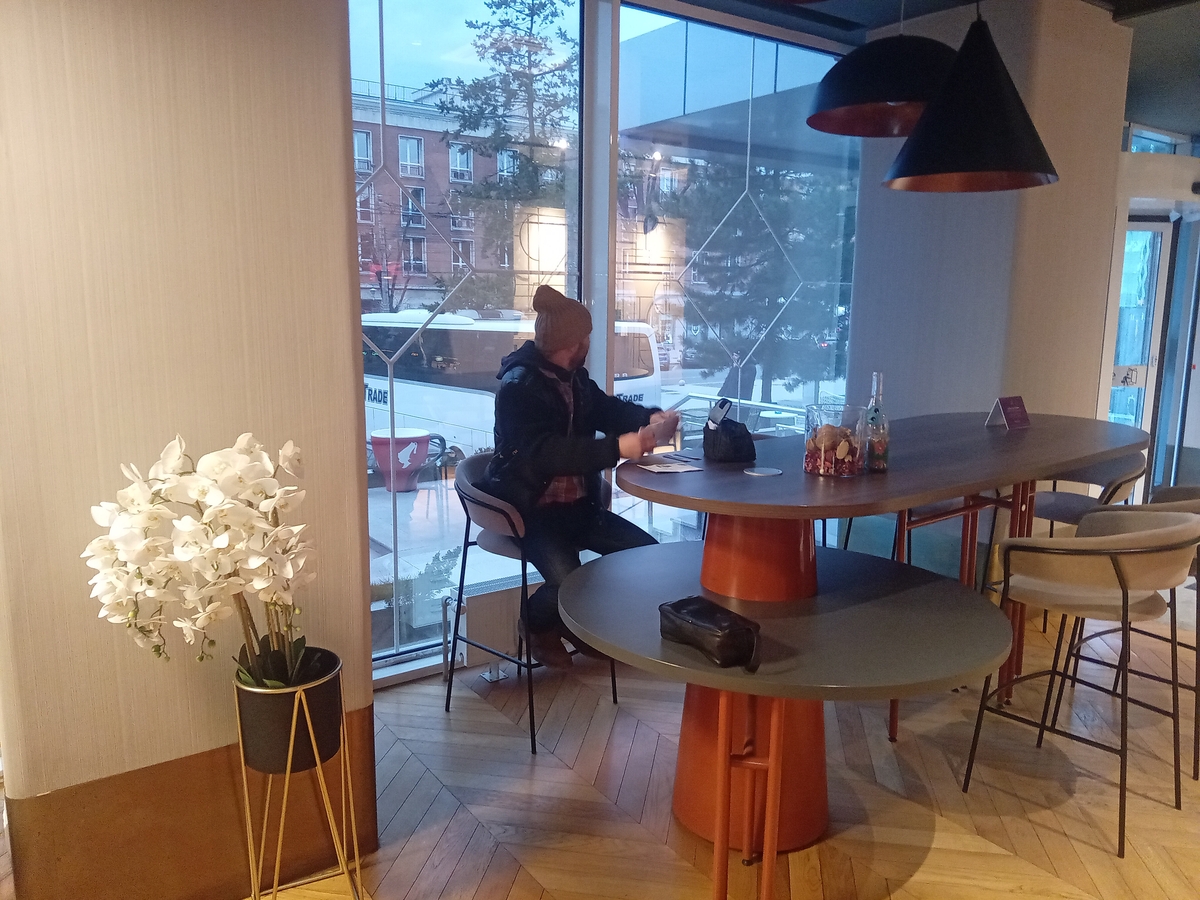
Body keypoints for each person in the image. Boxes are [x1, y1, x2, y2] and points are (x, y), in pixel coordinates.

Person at [480, 285, 680, 668]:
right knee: (570, 582)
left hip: (580, 508)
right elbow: (546, 453)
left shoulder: (575, 379)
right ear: (574, 342)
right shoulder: (518, 388)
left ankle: (576, 625)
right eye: (586, 336)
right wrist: (619, 448)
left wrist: (649, 418)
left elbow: (608, 410)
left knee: (648, 556)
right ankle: (536, 623)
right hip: (531, 511)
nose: (589, 342)